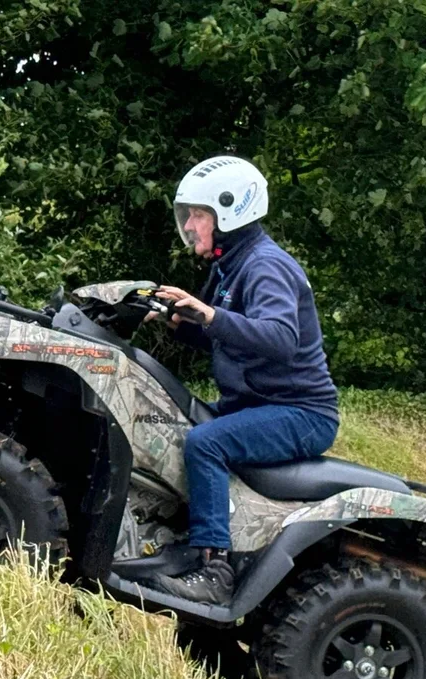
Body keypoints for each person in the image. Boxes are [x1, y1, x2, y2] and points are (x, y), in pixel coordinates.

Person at [141, 155, 340, 606]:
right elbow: (227, 336)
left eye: (199, 214)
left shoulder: (265, 265)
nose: (190, 224)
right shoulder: (230, 265)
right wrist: (176, 321)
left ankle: (214, 569)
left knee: (205, 443)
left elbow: (281, 339)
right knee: (176, 423)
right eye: (188, 214)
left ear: (230, 212)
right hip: (257, 403)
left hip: (301, 412)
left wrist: (208, 314)